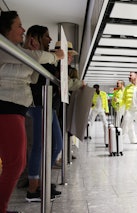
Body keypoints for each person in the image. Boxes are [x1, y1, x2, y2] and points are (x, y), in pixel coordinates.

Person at [0, 11, 64, 213]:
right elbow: (33, 59)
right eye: (19, 25)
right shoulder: (2, 45)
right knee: (16, 162)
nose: (23, 29)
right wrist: (55, 56)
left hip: (15, 109)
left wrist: (32, 54)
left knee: (16, 162)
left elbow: (33, 77)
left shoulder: (15, 51)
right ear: (6, 29)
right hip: (6, 107)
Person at [25, 25, 64, 202]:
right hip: (38, 104)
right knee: (40, 146)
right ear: (36, 37)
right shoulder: (32, 55)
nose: (49, 39)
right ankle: (34, 188)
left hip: (48, 105)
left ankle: (41, 181)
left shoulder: (44, 57)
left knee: (57, 144)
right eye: (46, 36)